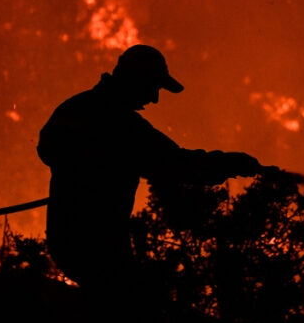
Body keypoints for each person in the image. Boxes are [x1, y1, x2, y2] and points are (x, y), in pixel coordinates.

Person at [36, 44, 262, 295]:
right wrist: (230, 163)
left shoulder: (80, 107)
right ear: (137, 79)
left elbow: (48, 148)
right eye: (154, 87)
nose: (155, 98)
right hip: (95, 243)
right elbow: (176, 163)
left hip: (70, 238)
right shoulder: (123, 125)